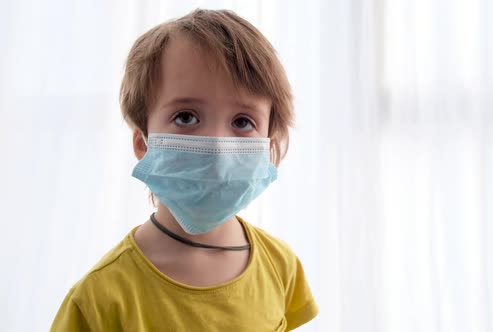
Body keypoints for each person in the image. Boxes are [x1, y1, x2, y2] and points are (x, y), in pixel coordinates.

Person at [50, 9, 318, 331]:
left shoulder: (281, 267)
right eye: (186, 117)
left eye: (243, 122)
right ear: (143, 142)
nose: (217, 147)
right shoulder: (99, 300)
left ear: (269, 144)